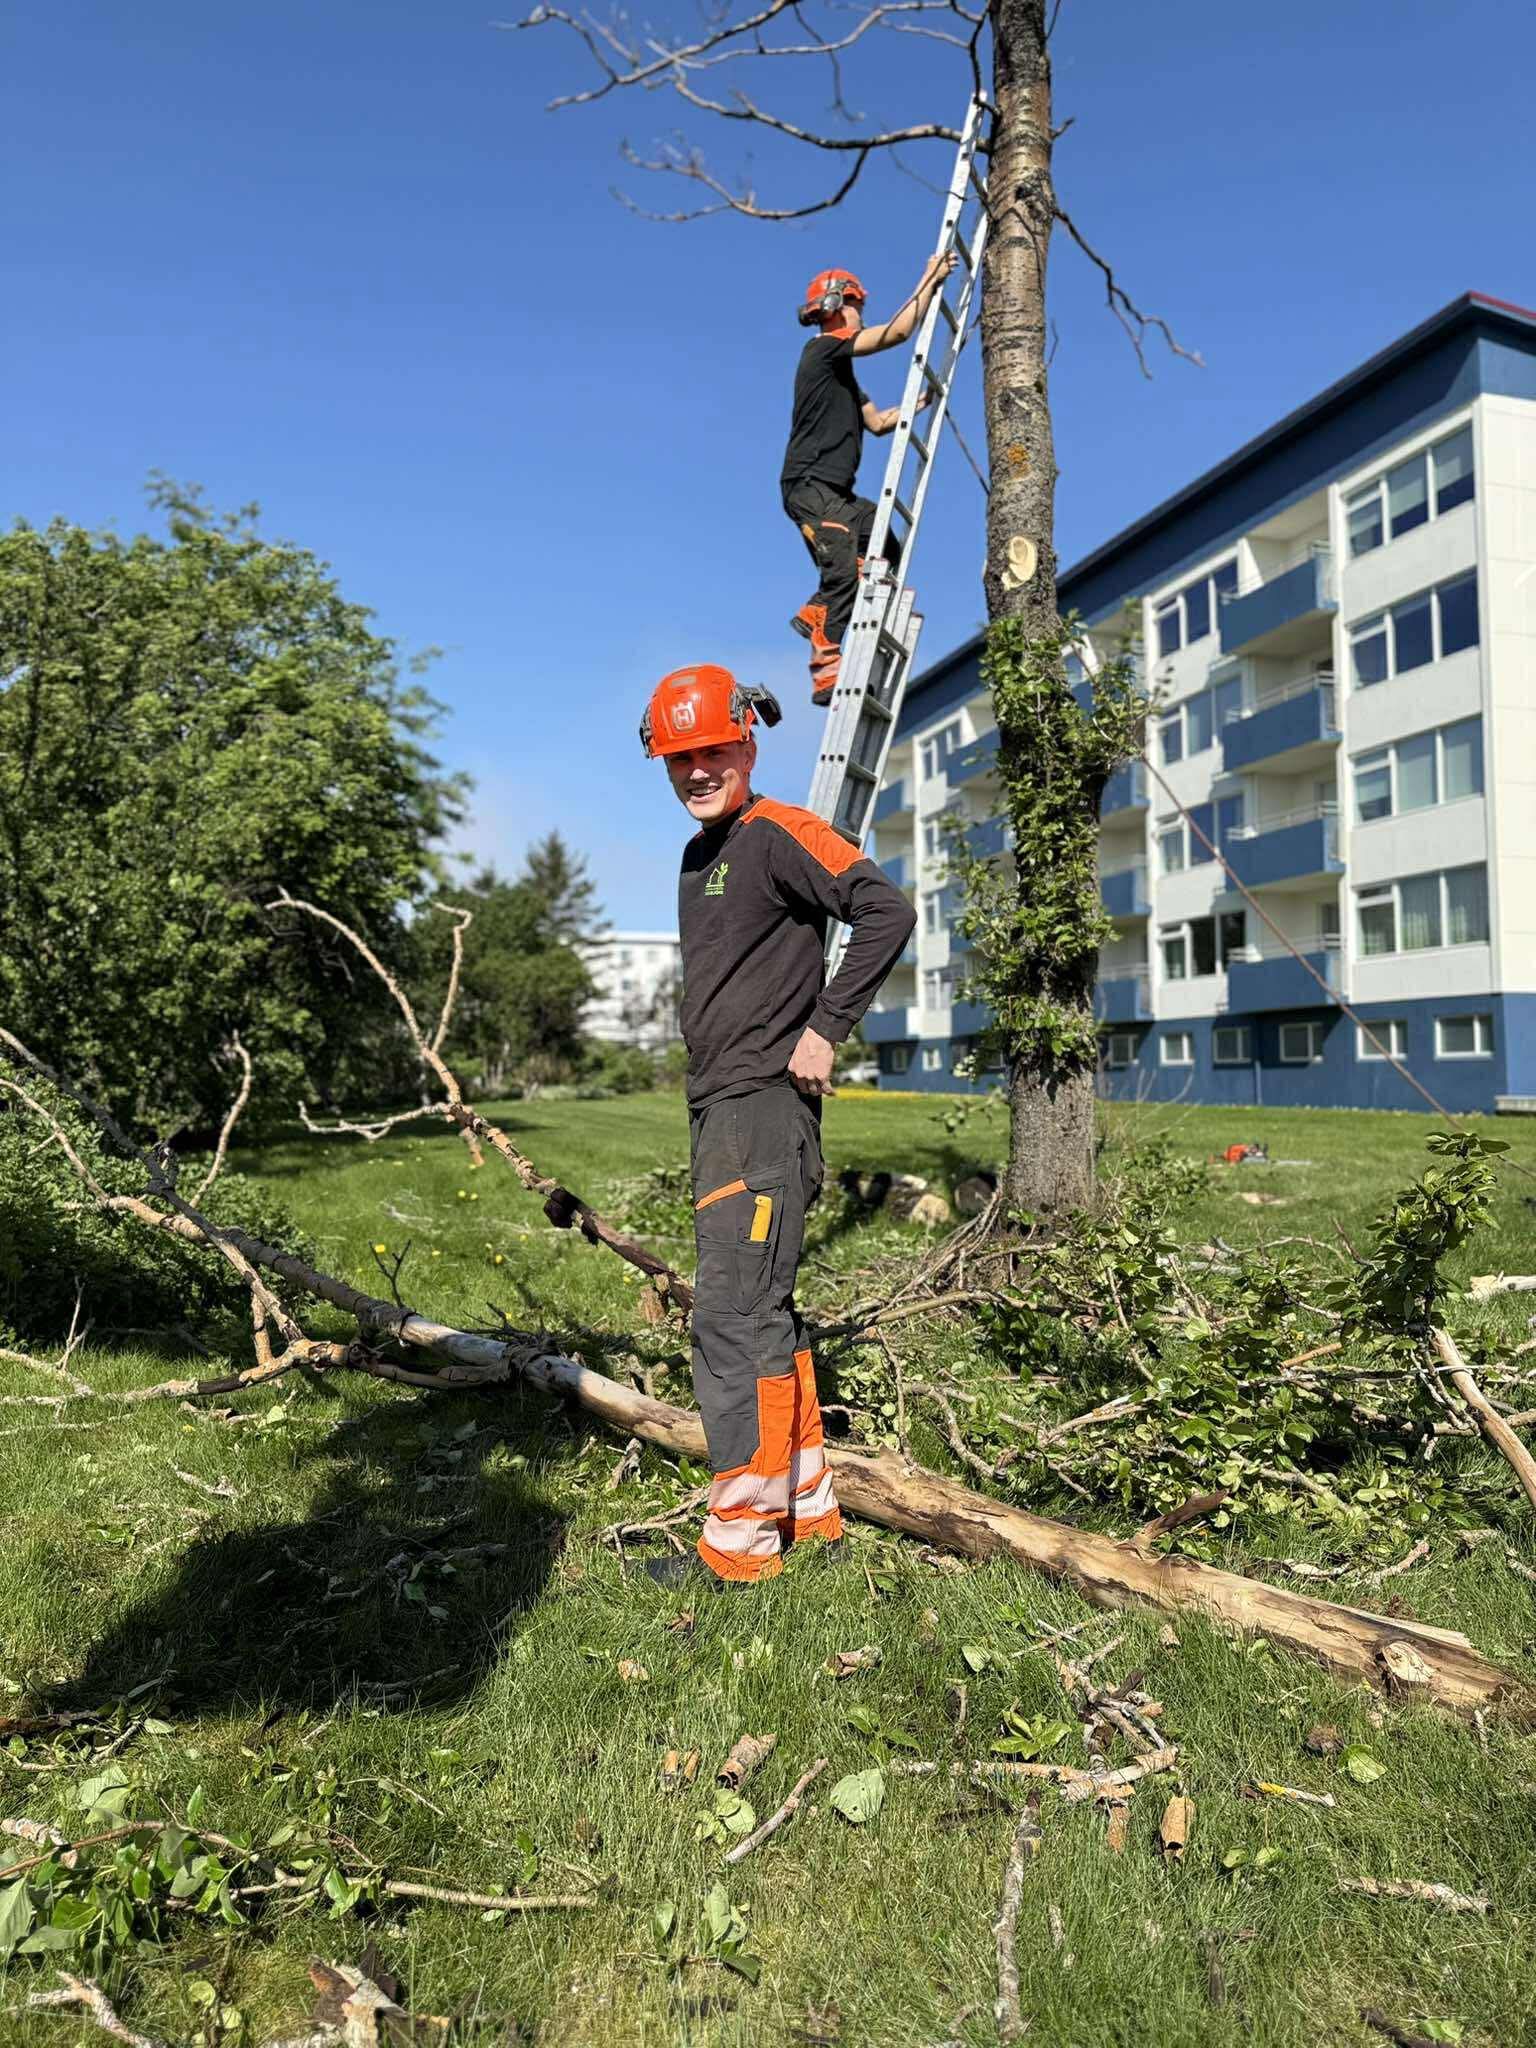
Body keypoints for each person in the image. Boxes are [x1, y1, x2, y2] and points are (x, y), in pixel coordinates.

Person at [639, 663, 917, 1583]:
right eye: (680, 758)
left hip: (762, 1112)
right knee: (765, 1316)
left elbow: (886, 908)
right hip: (725, 1112)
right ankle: (808, 1509)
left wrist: (825, 1029)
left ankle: (740, 1550)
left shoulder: (776, 834)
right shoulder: (699, 857)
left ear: (746, 740)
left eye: (712, 750)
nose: (697, 772)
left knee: (730, 1316)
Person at [781, 254, 957, 705]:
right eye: (858, 304)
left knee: (884, 545)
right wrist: (929, 279)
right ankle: (825, 655)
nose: (862, 314)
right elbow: (897, 333)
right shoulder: (821, 351)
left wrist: (916, 405)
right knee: (840, 567)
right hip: (809, 486)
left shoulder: (844, 376)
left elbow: (878, 423)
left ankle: (843, 620)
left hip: (838, 494)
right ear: (837, 303)